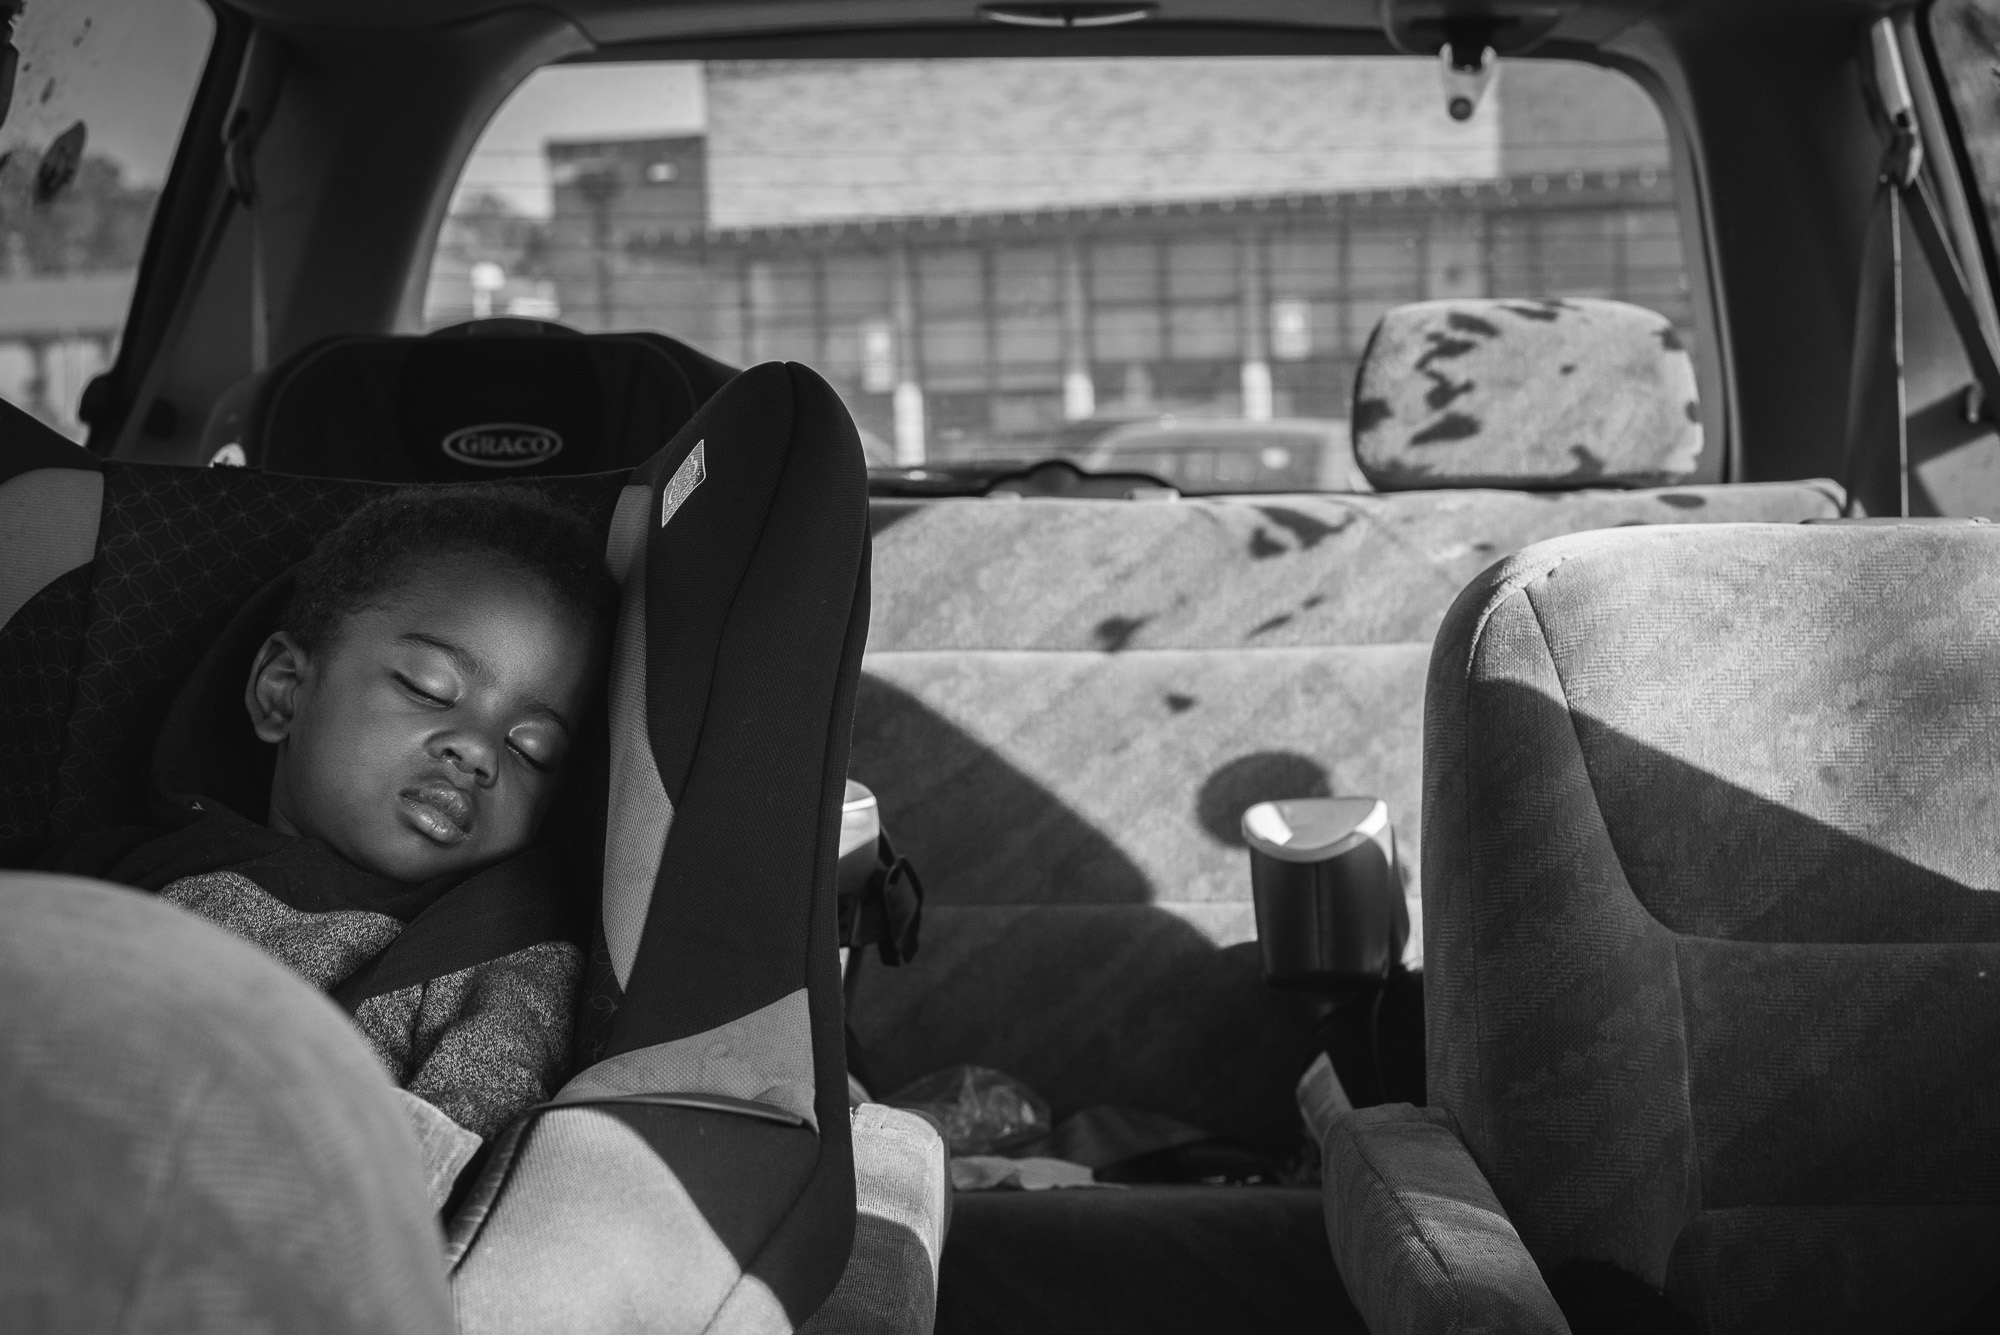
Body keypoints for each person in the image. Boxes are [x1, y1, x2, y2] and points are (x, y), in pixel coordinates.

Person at [45, 486, 618, 1208]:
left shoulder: (500, 953)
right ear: (284, 691)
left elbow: (452, 1181)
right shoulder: (113, 874)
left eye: (531, 748)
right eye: (429, 687)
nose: (477, 750)